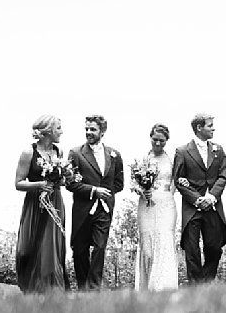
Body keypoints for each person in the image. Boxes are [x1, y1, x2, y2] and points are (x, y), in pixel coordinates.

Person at [66, 114, 124, 290]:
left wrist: (106, 194)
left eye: (93, 129)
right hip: (83, 208)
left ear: (103, 131)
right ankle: (83, 287)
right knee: (80, 249)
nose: (89, 132)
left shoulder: (114, 155)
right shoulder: (76, 153)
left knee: (100, 247)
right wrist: (93, 191)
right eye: (87, 129)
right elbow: (71, 184)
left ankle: (93, 288)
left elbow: (119, 184)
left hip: (104, 210)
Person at [13, 115, 68, 292]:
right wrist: (40, 185)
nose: (61, 131)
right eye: (58, 128)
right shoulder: (29, 153)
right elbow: (18, 183)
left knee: (50, 248)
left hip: (55, 202)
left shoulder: (58, 152)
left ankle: (52, 289)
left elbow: (60, 180)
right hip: (35, 204)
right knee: (27, 247)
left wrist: (62, 179)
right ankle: (30, 287)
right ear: (48, 131)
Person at [172, 113, 226, 283]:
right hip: (192, 208)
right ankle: (195, 286)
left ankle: (206, 282)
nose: (213, 128)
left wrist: (211, 197)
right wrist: (197, 199)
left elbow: (222, 176)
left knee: (214, 247)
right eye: (210, 125)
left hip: (212, 205)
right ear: (199, 127)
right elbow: (179, 181)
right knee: (192, 249)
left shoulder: (219, 150)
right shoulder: (182, 151)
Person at [132, 124, 179, 291]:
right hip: (146, 204)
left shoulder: (173, 159)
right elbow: (133, 183)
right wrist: (143, 191)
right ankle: (146, 287)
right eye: (155, 140)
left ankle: (164, 286)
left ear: (167, 141)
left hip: (166, 204)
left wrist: (168, 195)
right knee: (148, 246)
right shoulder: (143, 159)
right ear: (150, 138)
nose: (158, 143)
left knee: (164, 240)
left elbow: (176, 181)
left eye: (162, 141)